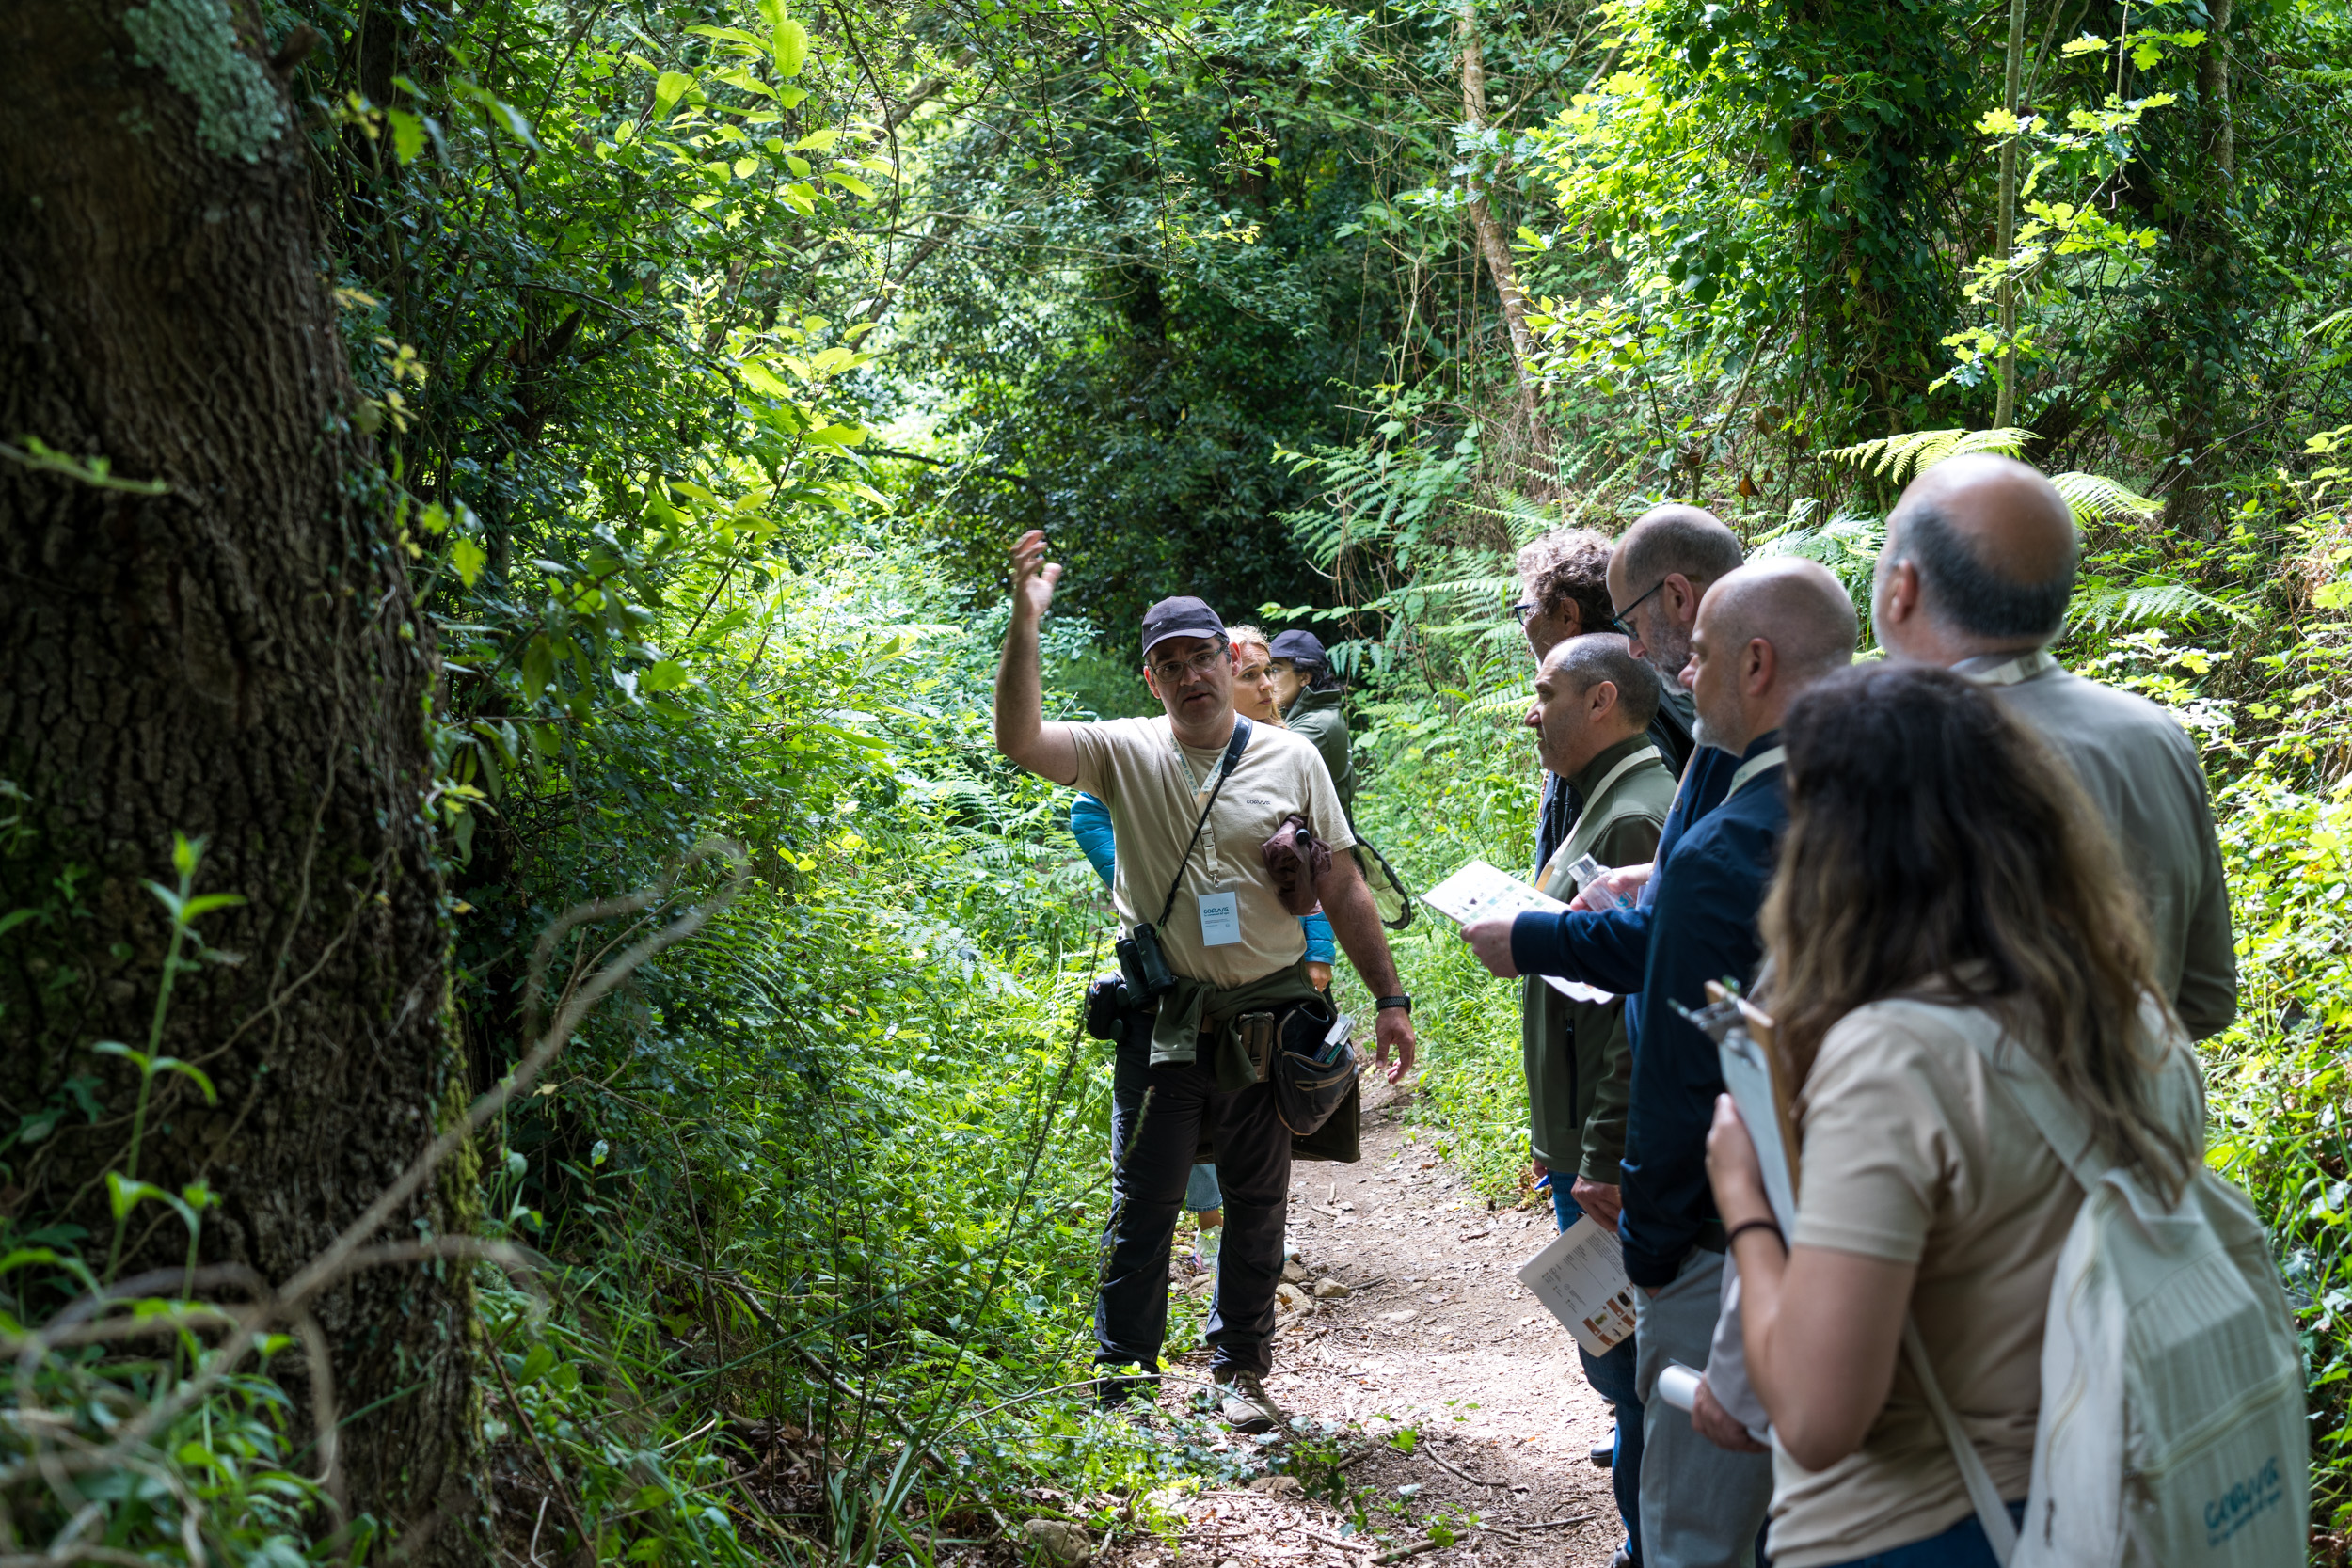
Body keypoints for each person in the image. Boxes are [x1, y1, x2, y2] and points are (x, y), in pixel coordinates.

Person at [1702, 662, 2203, 1567]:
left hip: (1927, 1529)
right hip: (2111, 1503)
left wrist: (1743, 1196)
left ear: (1838, 850)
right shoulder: (2136, 1019)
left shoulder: (1894, 1060)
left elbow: (1817, 1416)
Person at [1461, 557, 1859, 1568]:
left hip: (1732, 1237)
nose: (1678, 678)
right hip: (1861, 1215)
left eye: (1703, 661)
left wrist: (1652, 1237)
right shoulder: (1880, 796)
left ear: (1757, 664)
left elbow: (1683, 1062)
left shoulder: (1733, 843)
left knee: (1700, 1528)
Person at [995, 531, 1417, 1433]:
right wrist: (1025, 625)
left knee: (1259, 1202)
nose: (1190, 675)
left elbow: (1341, 880)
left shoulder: (1291, 756)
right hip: (1169, 1021)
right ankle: (1123, 1379)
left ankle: (1238, 1369)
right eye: (1169, 664)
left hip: (1269, 1014)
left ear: (1231, 661)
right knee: (1143, 1200)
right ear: (1151, 679)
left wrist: (1389, 998)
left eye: (1202, 658)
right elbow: (1020, 738)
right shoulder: (1122, 752)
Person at [1870, 453, 2236, 1038]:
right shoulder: (2156, 736)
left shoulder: (1880, 759)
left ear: (1902, 588)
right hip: (2140, 1122)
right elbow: (2207, 999)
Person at [1519, 632, 1677, 1565]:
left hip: (1605, 1151)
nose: (1530, 711)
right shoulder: (1602, 800)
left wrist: (1606, 1150)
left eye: (1545, 692)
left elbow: (1634, 1008)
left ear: (1602, 699)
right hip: (1578, 1134)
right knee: (1615, 1359)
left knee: (1629, 1367)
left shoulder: (1633, 815)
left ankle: (1646, 1542)